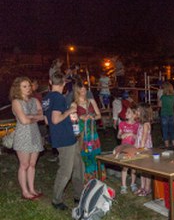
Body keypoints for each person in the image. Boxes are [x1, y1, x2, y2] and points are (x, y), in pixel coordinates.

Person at [42, 71, 84, 211]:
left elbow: (47, 121)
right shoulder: (59, 98)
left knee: (78, 167)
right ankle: (56, 200)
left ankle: (79, 195)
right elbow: (55, 119)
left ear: (50, 82)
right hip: (64, 139)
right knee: (65, 171)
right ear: (64, 83)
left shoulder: (46, 98)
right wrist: (70, 110)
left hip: (65, 137)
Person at [10, 77, 44, 200]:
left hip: (34, 134)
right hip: (23, 135)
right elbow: (23, 121)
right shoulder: (16, 102)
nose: (28, 88)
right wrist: (34, 117)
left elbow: (42, 116)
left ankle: (32, 189)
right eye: (24, 86)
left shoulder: (34, 100)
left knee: (32, 164)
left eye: (29, 86)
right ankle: (25, 191)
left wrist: (30, 116)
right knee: (24, 164)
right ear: (17, 88)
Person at [71, 81, 105, 182]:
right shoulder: (74, 104)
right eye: (81, 90)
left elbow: (99, 115)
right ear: (77, 91)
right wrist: (80, 117)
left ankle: (98, 176)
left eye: (85, 89)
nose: (84, 92)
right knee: (85, 155)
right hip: (83, 134)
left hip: (93, 133)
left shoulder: (91, 101)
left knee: (95, 154)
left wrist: (92, 116)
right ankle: (86, 178)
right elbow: (72, 119)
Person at [117, 104, 139, 194]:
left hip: (133, 149)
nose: (126, 113)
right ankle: (123, 185)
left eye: (128, 112)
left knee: (133, 168)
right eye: (126, 112)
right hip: (124, 149)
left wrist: (131, 134)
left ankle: (133, 184)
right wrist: (121, 135)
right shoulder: (122, 124)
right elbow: (118, 135)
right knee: (125, 167)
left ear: (134, 115)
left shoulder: (137, 125)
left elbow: (138, 137)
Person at [134, 103, 153, 197]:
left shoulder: (146, 124)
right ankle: (142, 187)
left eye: (138, 110)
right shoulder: (141, 123)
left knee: (147, 170)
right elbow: (138, 137)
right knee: (142, 170)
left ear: (143, 112)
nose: (136, 112)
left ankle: (147, 188)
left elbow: (144, 138)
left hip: (145, 150)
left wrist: (140, 149)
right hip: (140, 149)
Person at [159, 82, 174, 149]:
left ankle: (167, 145)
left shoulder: (163, 97)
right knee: (172, 129)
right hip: (171, 114)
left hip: (164, 114)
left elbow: (159, 105)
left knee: (165, 130)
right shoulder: (173, 97)